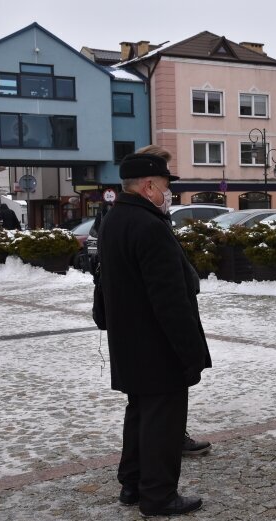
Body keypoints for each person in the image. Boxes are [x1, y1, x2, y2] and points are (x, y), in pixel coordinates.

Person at [97, 147, 212, 517]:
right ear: (148, 186)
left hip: (129, 340)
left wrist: (105, 317)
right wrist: (190, 352)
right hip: (158, 344)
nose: (169, 193)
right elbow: (170, 300)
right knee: (163, 420)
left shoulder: (114, 220)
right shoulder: (149, 225)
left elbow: (102, 283)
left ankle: (132, 484)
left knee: (140, 414)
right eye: (166, 185)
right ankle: (158, 496)